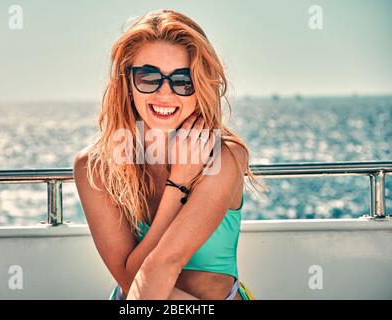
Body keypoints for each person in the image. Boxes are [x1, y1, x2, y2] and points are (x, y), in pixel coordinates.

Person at [73, 9, 263, 300]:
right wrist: (179, 186)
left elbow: (168, 261)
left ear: (200, 86)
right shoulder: (95, 167)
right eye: (149, 77)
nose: (165, 93)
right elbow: (131, 279)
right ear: (127, 82)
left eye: (182, 80)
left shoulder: (224, 157)